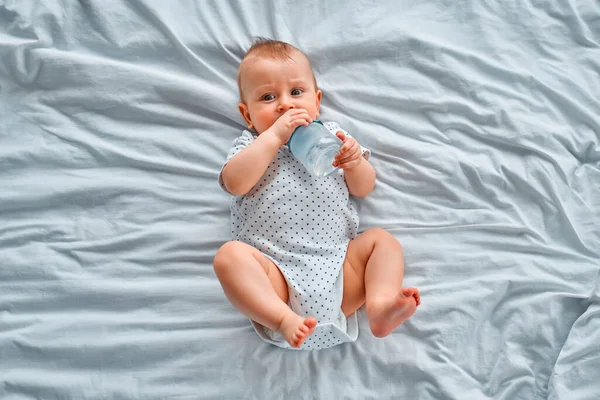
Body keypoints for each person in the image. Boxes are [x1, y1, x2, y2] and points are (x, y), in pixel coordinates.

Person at [214, 38, 420, 350]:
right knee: (229, 257)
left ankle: (380, 308)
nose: (286, 104)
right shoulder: (251, 144)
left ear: (317, 100)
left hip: (338, 270)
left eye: (297, 92)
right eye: (268, 97)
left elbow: (364, 188)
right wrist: (274, 137)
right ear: (248, 116)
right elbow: (235, 183)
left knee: (383, 241)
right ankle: (282, 319)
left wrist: (354, 163)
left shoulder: (333, 136)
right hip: (275, 277)